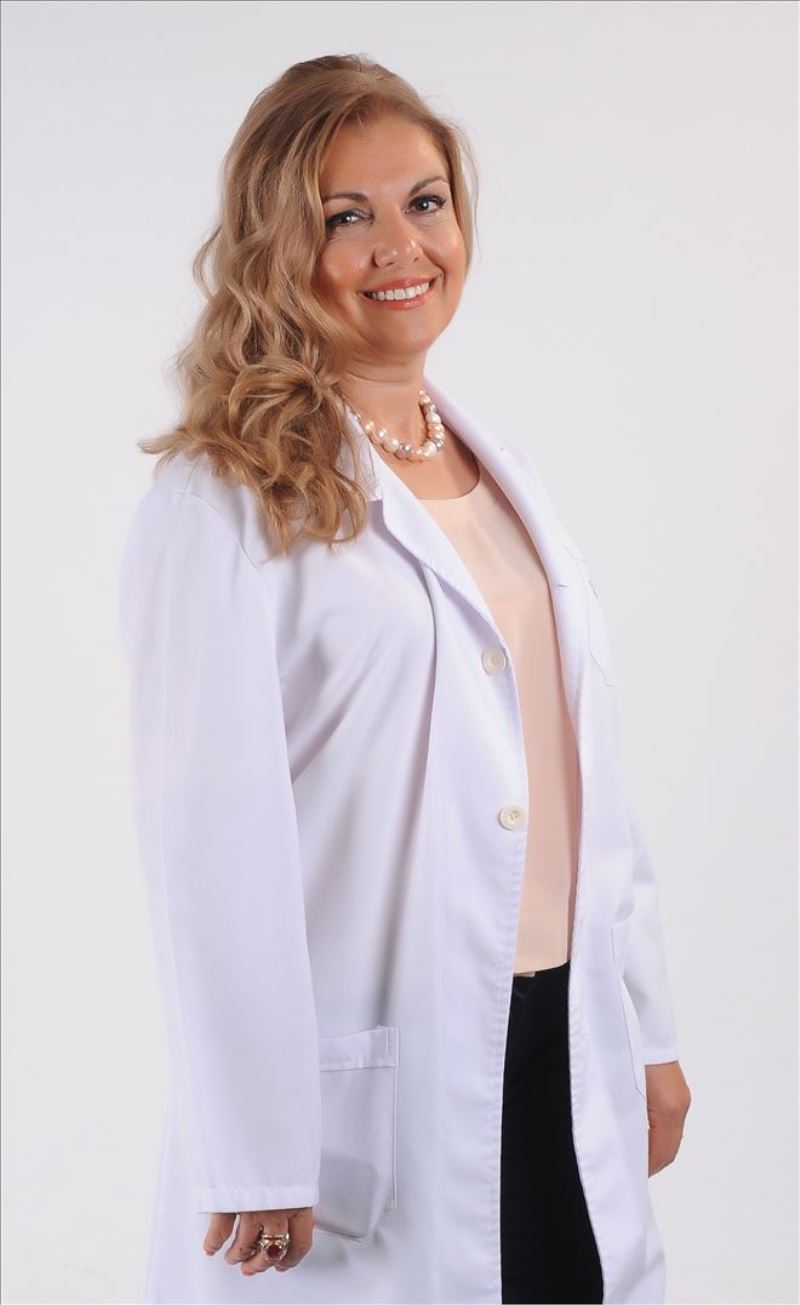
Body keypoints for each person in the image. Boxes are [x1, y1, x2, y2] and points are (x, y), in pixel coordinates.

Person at [118, 54, 691, 1305]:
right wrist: (254, 1140)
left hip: (564, 1039)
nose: (400, 247)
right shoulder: (220, 502)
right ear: (279, 245)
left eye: (424, 202)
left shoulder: (505, 476)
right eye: (346, 216)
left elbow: (583, 776)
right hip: (369, 1082)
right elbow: (206, 843)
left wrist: (643, 1028)